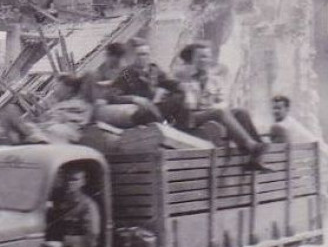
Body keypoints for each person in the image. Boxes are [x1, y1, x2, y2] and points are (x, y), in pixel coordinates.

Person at [172, 42, 270, 170]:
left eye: (207, 56)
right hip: (190, 117)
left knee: (241, 112)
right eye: (201, 57)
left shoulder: (214, 80)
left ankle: (255, 156)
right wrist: (214, 107)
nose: (205, 60)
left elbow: (222, 101)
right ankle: (250, 145)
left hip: (209, 113)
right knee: (219, 112)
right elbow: (189, 104)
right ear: (192, 59)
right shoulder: (183, 77)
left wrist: (221, 107)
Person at [97, 38, 179, 127]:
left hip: (156, 107)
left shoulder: (154, 70)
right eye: (140, 55)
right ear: (134, 57)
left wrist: (182, 86)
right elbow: (113, 96)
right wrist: (134, 99)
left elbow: (170, 83)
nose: (144, 58)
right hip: (140, 112)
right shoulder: (126, 74)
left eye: (146, 54)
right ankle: (164, 125)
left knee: (178, 98)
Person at [42, 167, 101, 247]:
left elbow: (91, 238)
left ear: (83, 182)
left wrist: (63, 243)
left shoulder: (88, 206)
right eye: (67, 180)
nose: (70, 183)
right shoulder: (61, 202)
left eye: (74, 180)